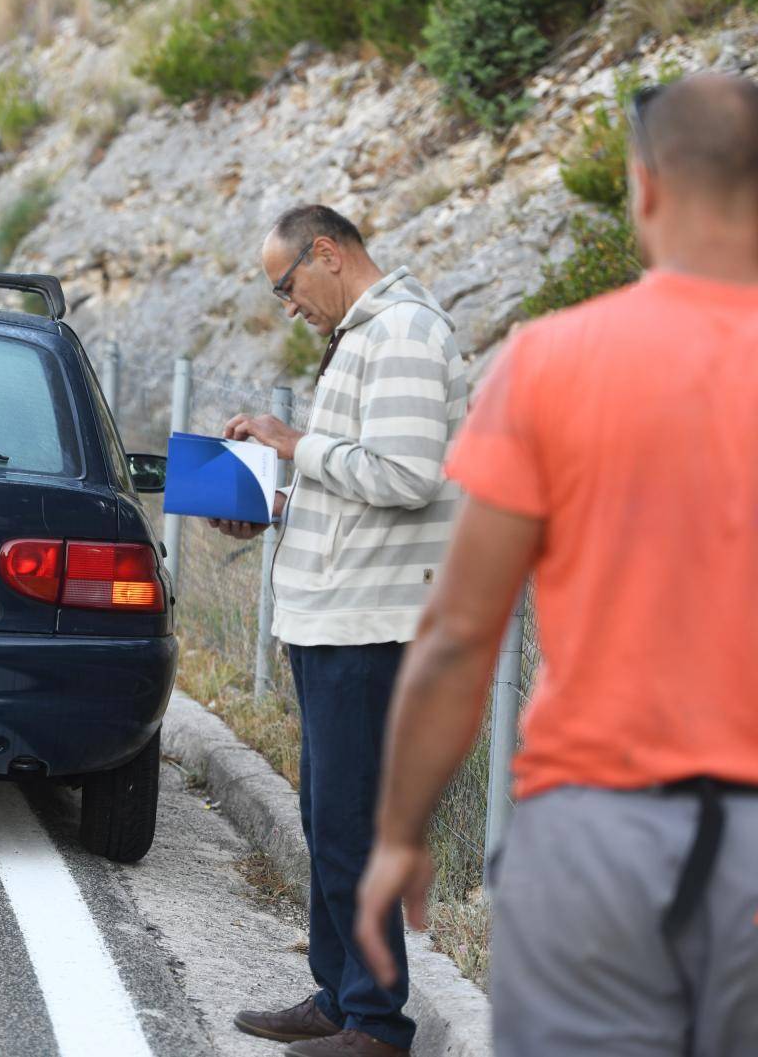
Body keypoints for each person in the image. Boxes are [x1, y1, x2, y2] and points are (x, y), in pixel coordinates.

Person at [355, 72, 758, 1057]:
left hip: (594, 836)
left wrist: (402, 832)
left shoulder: (551, 360)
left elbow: (458, 633)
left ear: (645, 187)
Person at [220, 205, 467, 1057]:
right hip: (335, 614)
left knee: (354, 822)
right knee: (327, 814)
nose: (289, 306)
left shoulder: (400, 332)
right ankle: (340, 994)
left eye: (286, 286)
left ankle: (375, 1022)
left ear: (327, 253)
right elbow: (359, 484)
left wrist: (293, 442)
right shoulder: (368, 332)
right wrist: (273, 505)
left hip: (373, 623)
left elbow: (405, 473)